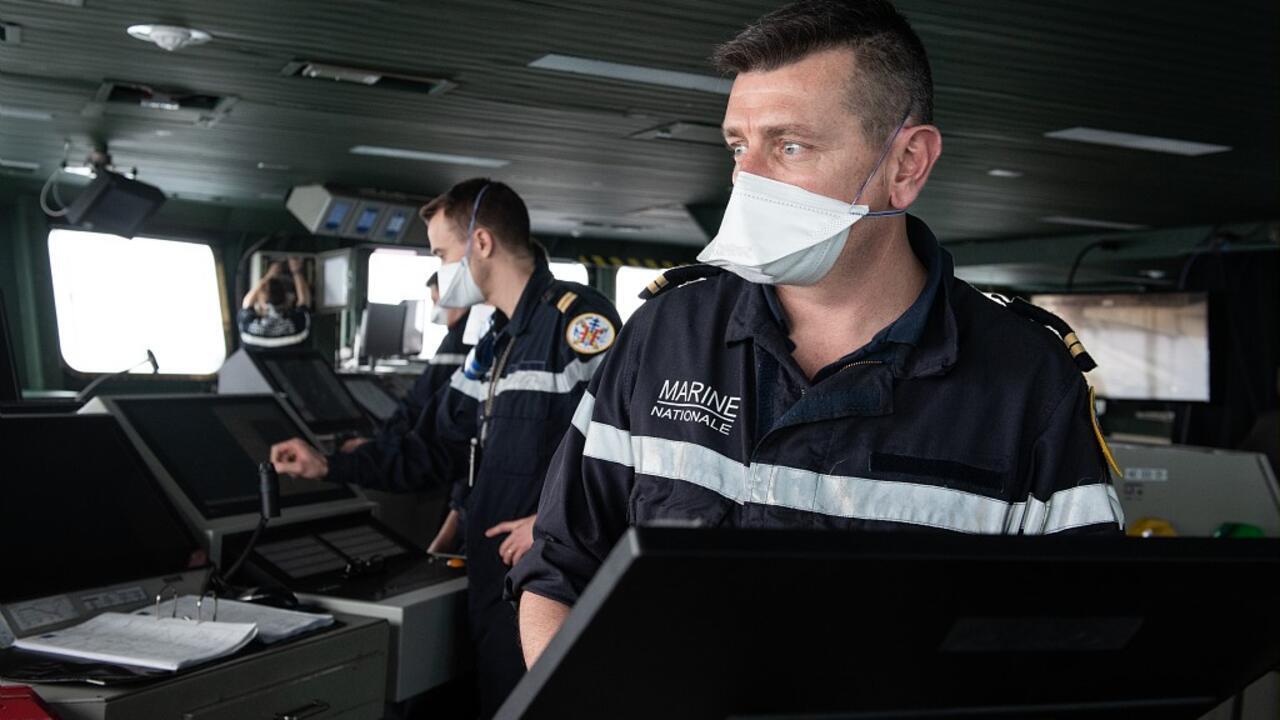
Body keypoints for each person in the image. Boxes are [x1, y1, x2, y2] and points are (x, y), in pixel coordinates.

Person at [509, 0, 1125, 668]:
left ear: (907, 163)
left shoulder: (1029, 382)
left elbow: (1081, 646)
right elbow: (557, 569)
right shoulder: (665, 334)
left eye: (791, 145)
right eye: (739, 147)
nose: (747, 182)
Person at [270, 178, 620, 717]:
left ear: (481, 243)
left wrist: (551, 521)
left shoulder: (578, 324)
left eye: (441, 252)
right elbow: (433, 448)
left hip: (546, 580)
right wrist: (329, 464)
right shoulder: (492, 346)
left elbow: (625, 456)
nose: (439, 268)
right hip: (489, 575)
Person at [237, 256, 311, 347]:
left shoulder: (250, 330)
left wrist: (269, 275)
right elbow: (304, 302)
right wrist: (296, 271)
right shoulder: (296, 326)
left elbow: (247, 304)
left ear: (263, 304)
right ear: (288, 300)